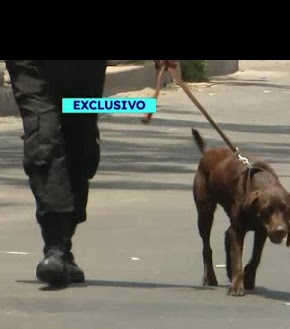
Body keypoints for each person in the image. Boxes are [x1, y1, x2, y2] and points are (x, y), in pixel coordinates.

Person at [6, 60, 178, 288]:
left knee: (80, 142)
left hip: (84, 69)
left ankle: (63, 246)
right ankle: (55, 246)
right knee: (43, 138)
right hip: (32, 66)